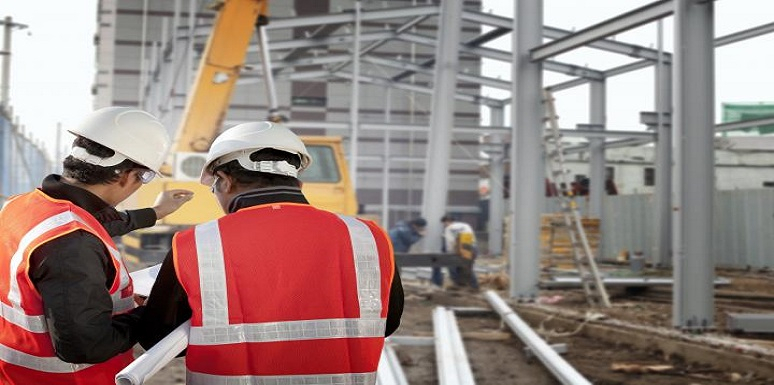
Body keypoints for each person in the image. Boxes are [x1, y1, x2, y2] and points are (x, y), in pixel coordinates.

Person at [139, 121, 403, 384]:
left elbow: (157, 336)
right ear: (297, 182)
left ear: (226, 182)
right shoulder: (369, 237)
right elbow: (386, 322)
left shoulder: (194, 244)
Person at [0, 107, 193, 385]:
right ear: (128, 176)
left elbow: (92, 224)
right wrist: (150, 312)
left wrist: (155, 213)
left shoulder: (23, 205)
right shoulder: (72, 243)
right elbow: (87, 346)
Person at [432, 214, 479, 290]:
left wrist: (449, 255)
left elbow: (449, 244)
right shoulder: (466, 225)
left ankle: (458, 285)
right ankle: (474, 286)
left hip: (460, 249)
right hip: (472, 248)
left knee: (452, 267)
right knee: (467, 268)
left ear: (446, 222)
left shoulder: (448, 229)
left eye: (443, 224)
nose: (444, 225)